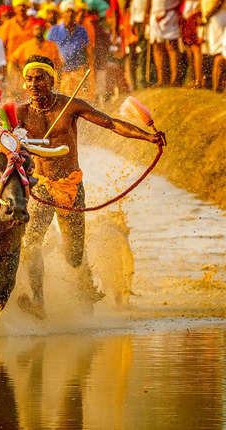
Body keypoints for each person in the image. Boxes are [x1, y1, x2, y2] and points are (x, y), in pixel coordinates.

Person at [16, 55, 166, 319]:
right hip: (39, 187)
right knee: (31, 243)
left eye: (39, 78)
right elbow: (0, 139)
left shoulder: (71, 106)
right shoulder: (19, 113)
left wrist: (148, 136)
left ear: (52, 80)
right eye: (29, 79)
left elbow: (111, 123)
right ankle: (38, 301)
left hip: (70, 186)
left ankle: (86, 286)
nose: (33, 84)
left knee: (73, 254)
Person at [47, 0, 91, 98]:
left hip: (78, 70)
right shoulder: (54, 30)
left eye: (72, 11)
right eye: (67, 11)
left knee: (79, 99)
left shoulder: (82, 31)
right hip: (59, 72)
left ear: (75, 14)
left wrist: (86, 76)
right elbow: (48, 51)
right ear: (62, 14)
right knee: (60, 99)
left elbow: (85, 53)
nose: (70, 14)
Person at [180, 0, 208, 88]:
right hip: (188, 13)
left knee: (197, 48)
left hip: (196, 12)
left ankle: (200, 80)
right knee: (192, 48)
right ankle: (196, 79)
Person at [201, 0, 226, 91]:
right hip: (213, 16)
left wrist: (208, 15)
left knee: (219, 52)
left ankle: (217, 87)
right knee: (215, 51)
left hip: (219, 15)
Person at [129, 0, 152, 89]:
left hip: (150, 17)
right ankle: (142, 80)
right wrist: (132, 20)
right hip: (137, 17)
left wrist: (147, 17)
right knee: (141, 49)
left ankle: (148, 78)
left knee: (148, 49)